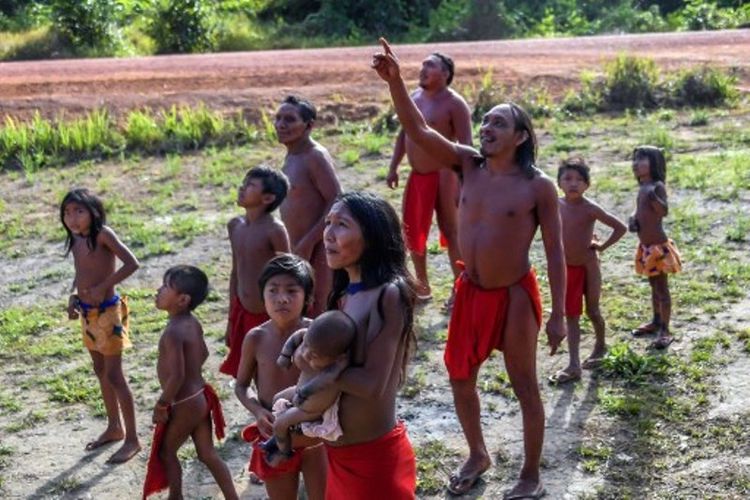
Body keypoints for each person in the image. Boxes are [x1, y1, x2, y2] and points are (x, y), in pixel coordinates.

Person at [373, 39, 566, 499]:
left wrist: (559, 314)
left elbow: (556, 252)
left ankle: (531, 475)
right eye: (484, 121)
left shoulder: (537, 187)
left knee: (524, 384)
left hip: (515, 296)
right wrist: (397, 82)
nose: (486, 127)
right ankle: (479, 453)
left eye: (498, 122)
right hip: (471, 291)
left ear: (520, 136)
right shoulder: (468, 165)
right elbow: (419, 132)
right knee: (460, 375)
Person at [295, 191, 418, 499]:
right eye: (328, 223)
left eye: (342, 225)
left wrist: (321, 366)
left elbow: (372, 385)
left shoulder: (389, 295)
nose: (328, 234)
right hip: (338, 458)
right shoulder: (341, 295)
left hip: (375, 461)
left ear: (372, 236)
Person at [234, 254, 327, 500]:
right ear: (262, 296)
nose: (281, 298)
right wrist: (257, 410)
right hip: (273, 434)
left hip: (314, 434)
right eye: (273, 291)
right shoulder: (255, 338)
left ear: (307, 298)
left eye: (291, 291)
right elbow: (242, 386)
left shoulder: (317, 333)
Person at [143, 266, 238, 500]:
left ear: (182, 300)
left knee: (167, 452)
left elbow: (176, 375)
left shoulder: (173, 332)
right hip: (199, 396)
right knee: (207, 454)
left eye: (165, 287)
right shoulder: (192, 323)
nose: (158, 290)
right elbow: (203, 353)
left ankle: (176, 497)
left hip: (184, 402)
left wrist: (162, 404)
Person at [61, 188, 141, 464]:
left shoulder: (103, 235)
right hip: (87, 313)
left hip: (108, 313)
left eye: (79, 211)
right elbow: (80, 272)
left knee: (115, 375)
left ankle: (132, 439)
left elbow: (132, 263)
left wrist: (103, 287)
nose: (72, 218)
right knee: (100, 370)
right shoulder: (76, 238)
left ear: (94, 212)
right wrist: (74, 296)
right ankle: (114, 426)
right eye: (68, 212)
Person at [385, 51, 472, 305]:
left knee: (452, 231)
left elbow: (466, 144)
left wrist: (464, 182)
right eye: (422, 64)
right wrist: (393, 166)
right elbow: (405, 134)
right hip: (418, 176)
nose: (422, 69)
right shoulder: (413, 98)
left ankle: (460, 289)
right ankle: (422, 286)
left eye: (430, 66)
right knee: (413, 233)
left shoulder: (455, 104)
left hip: (446, 175)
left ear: (445, 74)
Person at [548, 157, 626, 384]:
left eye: (580, 180)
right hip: (567, 269)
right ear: (559, 183)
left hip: (589, 266)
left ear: (587, 185)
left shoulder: (590, 209)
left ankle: (600, 346)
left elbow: (620, 227)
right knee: (572, 316)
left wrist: (602, 246)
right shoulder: (555, 206)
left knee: (593, 311)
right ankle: (574, 365)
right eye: (568, 179)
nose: (573, 184)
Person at [220, 165, 291, 378]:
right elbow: (236, 270)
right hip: (242, 308)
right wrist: (231, 317)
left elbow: (289, 273)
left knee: (269, 369)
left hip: (268, 314)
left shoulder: (274, 230)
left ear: (268, 198)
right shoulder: (235, 226)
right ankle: (261, 409)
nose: (242, 188)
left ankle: (272, 409)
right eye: (244, 183)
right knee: (246, 369)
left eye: (250, 185)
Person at [262, 310, 358, 467]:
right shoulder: (310, 337)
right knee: (276, 398)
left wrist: (304, 393)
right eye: (306, 346)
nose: (305, 354)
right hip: (299, 391)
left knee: (281, 423)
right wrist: (285, 355)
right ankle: (277, 438)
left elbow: (321, 381)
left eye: (313, 356)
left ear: (337, 357)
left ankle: (284, 451)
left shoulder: (337, 366)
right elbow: (298, 336)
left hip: (310, 408)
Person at [277, 95, 342, 317]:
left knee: (319, 309)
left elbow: (336, 200)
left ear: (309, 125)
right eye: (278, 118)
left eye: (289, 119)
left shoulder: (314, 156)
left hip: (319, 248)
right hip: (300, 248)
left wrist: (309, 242)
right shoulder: (292, 155)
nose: (281, 125)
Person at [629, 146, 681, 349]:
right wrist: (633, 219)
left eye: (642, 159)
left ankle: (665, 329)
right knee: (653, 286)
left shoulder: (656, 186)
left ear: (655, 163)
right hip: (647, 247)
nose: (636, 163)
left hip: (658, 248)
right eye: (634, 159)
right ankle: (656, 320)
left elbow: (663, 211)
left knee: (662, 289)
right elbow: (639, 209)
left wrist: (654, 198)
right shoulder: (643, 186)